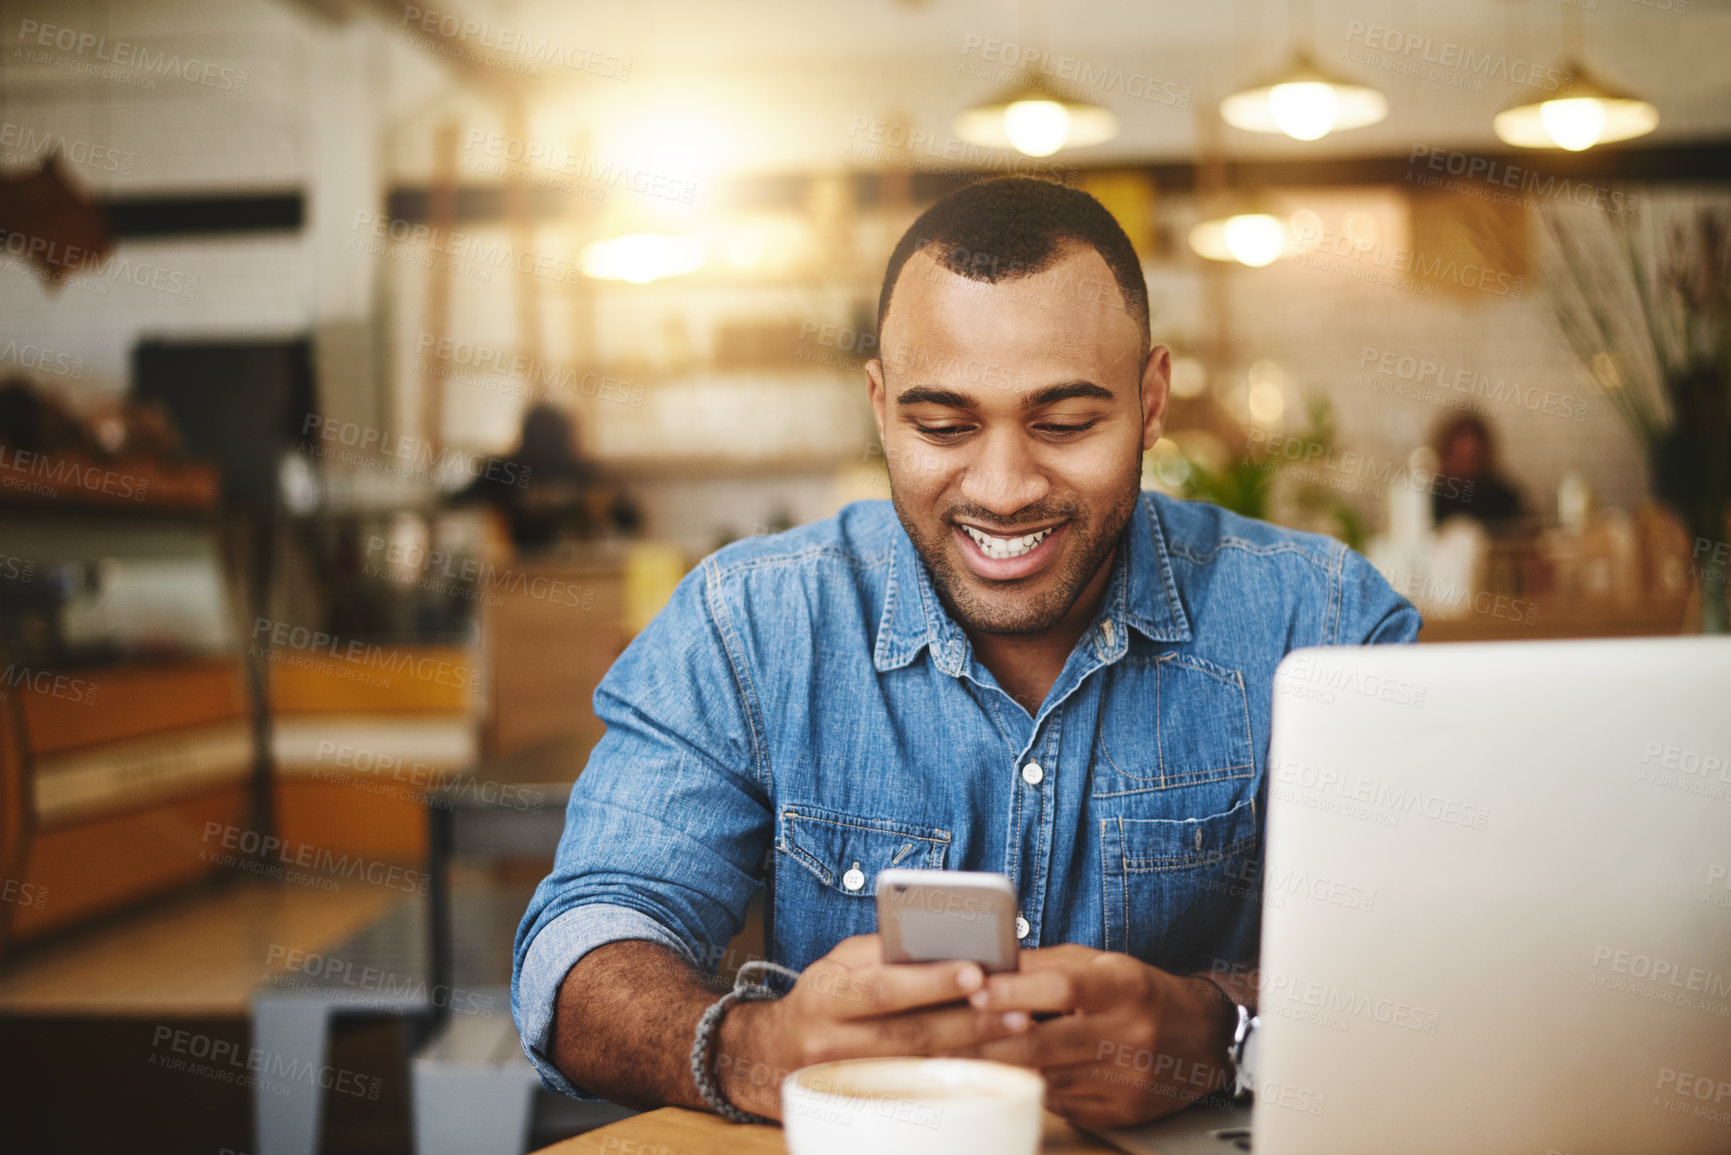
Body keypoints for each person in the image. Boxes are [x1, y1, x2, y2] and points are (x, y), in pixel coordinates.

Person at [511, 177, 1419, 1129]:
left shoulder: (1321, 620)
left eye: (1065, 423)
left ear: (1151, 403)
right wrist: (754, 1048)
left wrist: (1216, 1031)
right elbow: (579, 949)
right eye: (941, 426)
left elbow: (1443, 957)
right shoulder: (747, 623)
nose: (1002, 487)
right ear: (878, 405)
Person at [1431, 413, 1524, 530]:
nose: (1464, 466)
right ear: (1446, 453)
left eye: (1471, 459)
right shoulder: (1429, 499)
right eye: (1459, 457)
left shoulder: (1502, 498)